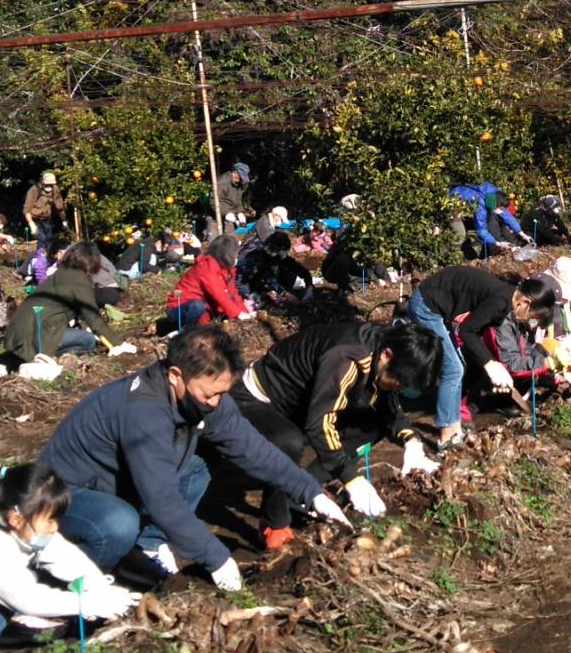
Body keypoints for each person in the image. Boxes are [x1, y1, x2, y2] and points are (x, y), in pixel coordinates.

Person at [38, 325, 351, 593]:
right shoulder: (144, 411)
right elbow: (160, 497)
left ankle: (149, 542)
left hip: (115, 481)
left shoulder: (209, 396)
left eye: (222, 393)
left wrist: (310, 492)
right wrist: (215, 556)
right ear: (176, 375)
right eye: (209, 395)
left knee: (196, 469)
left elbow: (254, 449)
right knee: (118, 525)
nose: (216, 403)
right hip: (63, 494)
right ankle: (72, 581)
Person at [233, 319, 442, 542]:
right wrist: (351, 478)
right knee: (289, 441)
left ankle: (302, 491)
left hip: (305, 402)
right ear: (386, 356)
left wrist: (412, 442)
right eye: (399, 381)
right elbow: (319, 424)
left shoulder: (385, 350)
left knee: (371, 425)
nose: (399, 388)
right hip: (262, 396)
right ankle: (275, 522)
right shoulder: (347, 358)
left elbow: (388, 410)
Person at [0, 463, 137, 653]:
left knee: (18, 583)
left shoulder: (25, 530)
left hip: (4, 588)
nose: (55, 526)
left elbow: (66, 557)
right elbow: (29, 599)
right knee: (7, 592)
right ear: (16, 519)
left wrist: (100, 587)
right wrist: (86, 603)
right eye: (49, 519)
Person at [406, 266, 555, 448]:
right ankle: (446, 437)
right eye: (533, 315)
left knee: (460, 365)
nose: (530, 319)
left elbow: (478, 331)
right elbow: (467, 330)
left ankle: (456, 428)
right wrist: (490, 364)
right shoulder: (500, 301)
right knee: (453, 369)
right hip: (426, 306)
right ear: (525, 303)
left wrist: (494, 371)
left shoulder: (506, 299)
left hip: (441, 307)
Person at [5, 242, 118, 364]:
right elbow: (92, 316)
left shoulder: (61, 272)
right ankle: (46, 359)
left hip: (16, 335)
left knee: (79, 334)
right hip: (33, 337)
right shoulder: (79, 279)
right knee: (88, 341)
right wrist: (118, 344)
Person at [158, 234, 251, 334]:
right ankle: (185, 331)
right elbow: (218, 294)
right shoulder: (206, 267)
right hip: (180, 306)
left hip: (201, 305)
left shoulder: (226, 270)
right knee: (197, 306)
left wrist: (246, 313)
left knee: (229, 300)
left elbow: (233, 293)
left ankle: (198, 328)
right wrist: (238, 313)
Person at [448, 184, 530, 252]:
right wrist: (498, 243)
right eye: (500, 208)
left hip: (466, 206)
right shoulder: (480, 207)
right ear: (495, 205)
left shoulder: (494, 195)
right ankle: (456, 257)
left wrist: (522, 234)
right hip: (452, 204)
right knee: (460, 234)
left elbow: (507, 216)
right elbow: (481, 230)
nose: (501, 211)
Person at [23, 170, 68, 250]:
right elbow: (27, 209)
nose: (49, 187)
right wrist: (31, 224)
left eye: (51, 185)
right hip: (35, 218)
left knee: (49, 239)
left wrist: (64, 220)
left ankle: (49, 257)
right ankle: (40, 259)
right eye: (47, 185)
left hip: (46, 219)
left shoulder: (55, 190)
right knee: (42, 239)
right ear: (43, 183)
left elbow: (59, 206)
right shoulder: (34, 190)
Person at [216, 163, 251, 228]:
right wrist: (226, 213)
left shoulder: (238, 184)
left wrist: (240, 212)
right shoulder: (222, 183)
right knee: (215, 236)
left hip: (231, 214)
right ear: (234, 172)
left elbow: (237, 201)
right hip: (216, 215)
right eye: (240, 176)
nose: (241, 179)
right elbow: (215, 201)